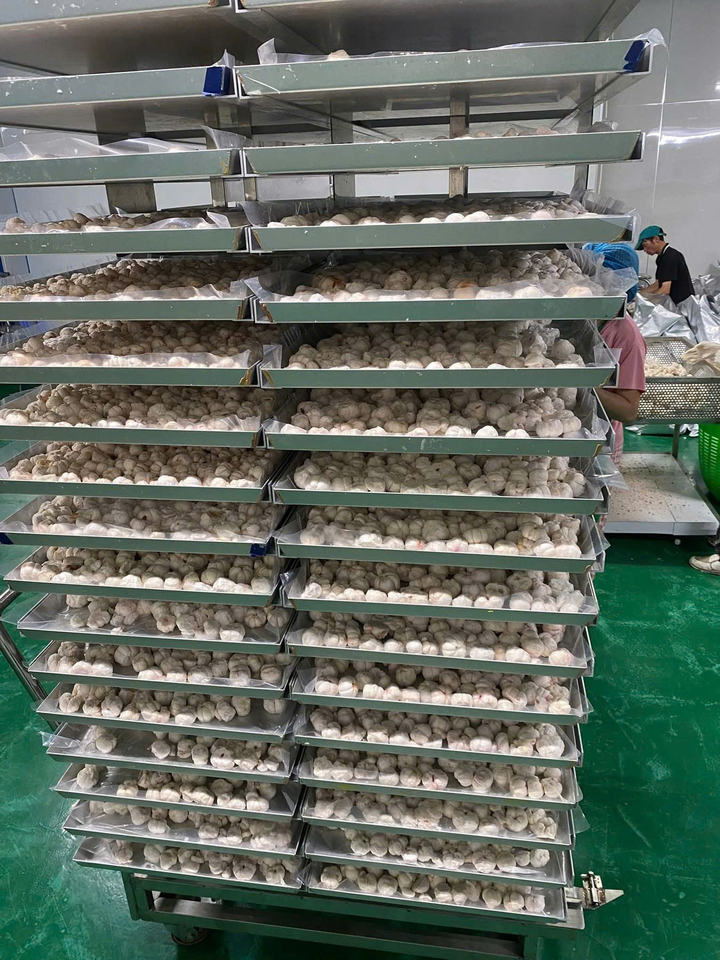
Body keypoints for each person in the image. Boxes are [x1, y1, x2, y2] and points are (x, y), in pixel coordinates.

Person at [583, 242, 647, 463]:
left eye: (598, 277)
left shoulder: (626, 335)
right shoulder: (577, 319)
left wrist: (578, 385)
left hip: (600, 444)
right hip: (564, 431)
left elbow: (628, 410)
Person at [635, 225, 695, 307]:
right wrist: (639, 294)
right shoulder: (661, 257)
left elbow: (664, 290)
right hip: (676, 303)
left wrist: (646, 303)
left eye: (645, 245)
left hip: (684, 306)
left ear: (656, 239)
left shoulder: (671, 256)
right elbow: (658, 284)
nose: (644, 250)